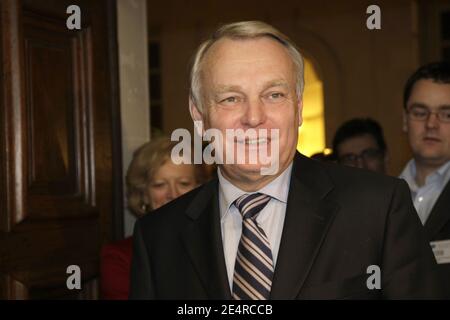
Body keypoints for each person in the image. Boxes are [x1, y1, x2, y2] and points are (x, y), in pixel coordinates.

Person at [130, 21, 443, 299]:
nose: (253, 117)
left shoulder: (379, 208)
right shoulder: (158, 237)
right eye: (230, 98)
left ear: (298, 107)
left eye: (274, 95)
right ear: (199, 116)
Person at [100, 136, 206, 299]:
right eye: (159, 185)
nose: (173, 195)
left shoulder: (220, 244)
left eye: (184, 183)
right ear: (143, 194)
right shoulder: (120, 258)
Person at [399, 61, 450, 296]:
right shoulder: (377, 197)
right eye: (420, 112)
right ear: (404, 120)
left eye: (446, 114)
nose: (431, 124)